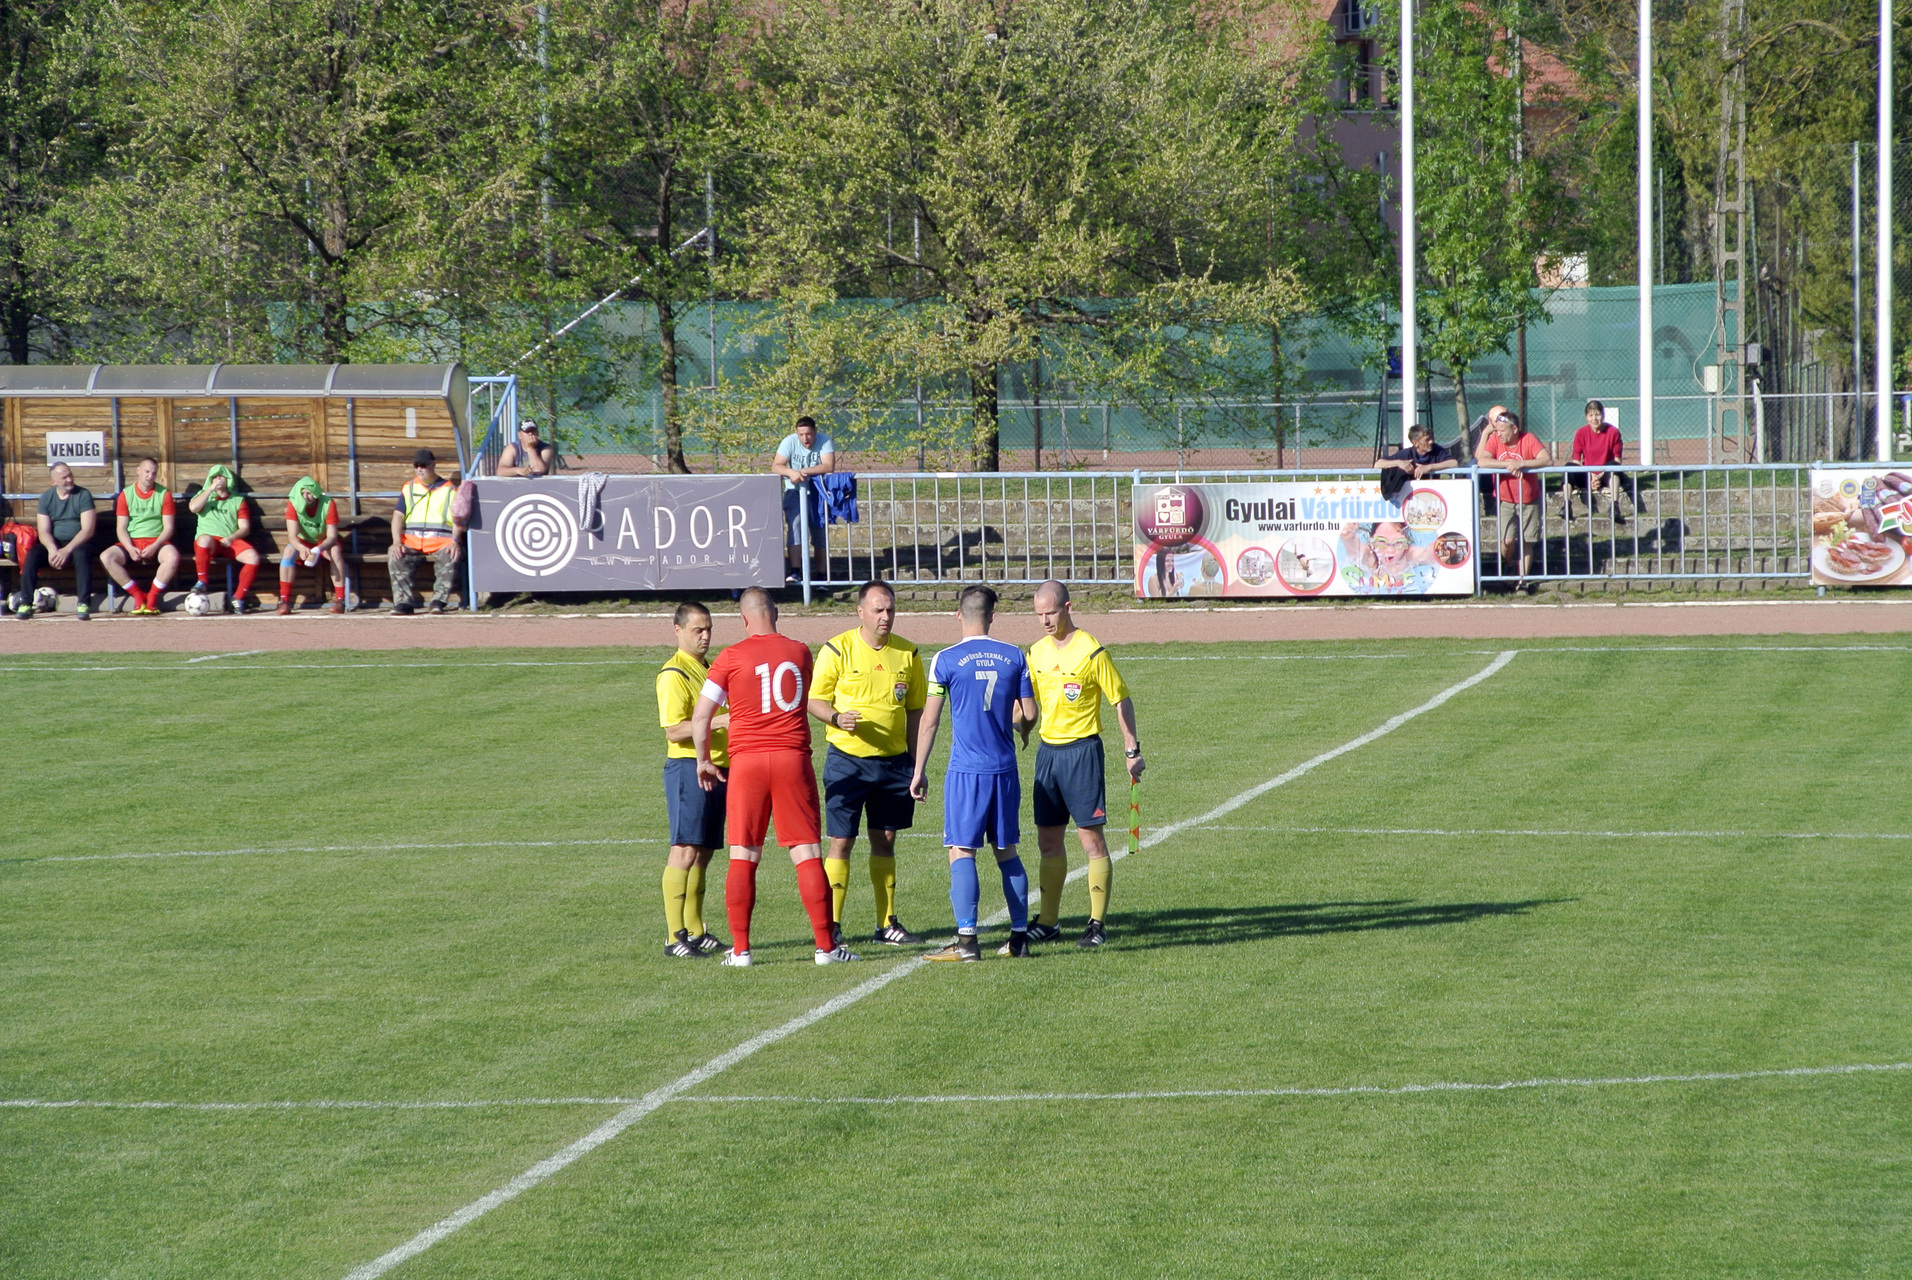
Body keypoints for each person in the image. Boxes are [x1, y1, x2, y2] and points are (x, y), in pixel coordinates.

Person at [690, 586, 852, 967]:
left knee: (744, 853)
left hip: (747, 763)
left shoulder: (730, 657)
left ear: (744, 619)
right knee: (807, 851)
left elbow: (701, 717)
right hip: (791, 758)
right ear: (776, 614)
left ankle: (741, 950)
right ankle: (826, 948)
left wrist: (703, 760)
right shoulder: (799, 652)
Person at [910, 585, 1038, 961]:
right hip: (1005, 769)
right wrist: (1021, 730)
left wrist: (918, 770)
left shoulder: (945, 660)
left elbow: (930, 721)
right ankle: (1019, 939)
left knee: (961, 850)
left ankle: (967, 942)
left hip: (967, 772)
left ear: (958, 615)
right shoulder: (1014, 655)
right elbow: (1030, 713)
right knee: (1006, 851)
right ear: (992, 616)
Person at [808, 579, 928, 948]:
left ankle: (886, 923)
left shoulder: (908, 654)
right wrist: (836, 718)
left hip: (893, 765)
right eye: (878, 610)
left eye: (890, 609)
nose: (885, 616)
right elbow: (814, 700)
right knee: (841, 841)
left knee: (886, 839)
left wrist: (917, 765)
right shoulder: (837, 649)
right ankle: (831, 924)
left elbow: (916, 712)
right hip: (847, 761)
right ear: (861, 612)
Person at [1025, 579, 1144, 948]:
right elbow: (1027, 705)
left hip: (1082, 753)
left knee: (1090, 840)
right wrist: (1014, 726)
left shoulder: (1091, 651)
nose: (1045, 621)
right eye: (1039, 615)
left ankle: (1096, 924)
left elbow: (1120, 700)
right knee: (1048, 840)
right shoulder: (1036, 653)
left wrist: (1131, 750)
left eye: (1051, 613)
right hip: (1048, 754)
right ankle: (1048, 921)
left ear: (1068, 608)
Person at [657, 602, 730, 959]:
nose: (705, 636)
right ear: (678, 631)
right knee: (685, 849)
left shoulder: (709, 668)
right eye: (697, 630)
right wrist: (719, 722)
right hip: (689, 768)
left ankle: (696, 930)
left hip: (717, 766)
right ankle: (674, 937)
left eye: (709, 629)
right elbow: (674, 730)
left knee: (703, 852)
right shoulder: (675, 674)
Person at [1476, 408, 1550, 591]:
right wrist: (1507, 465)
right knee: (1507, 541)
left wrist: (1521, 463)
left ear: (1514, 429)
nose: (1499, 434)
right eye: (1497, 430)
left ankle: (1523, 581)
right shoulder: (1495, 439)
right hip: (1505, 500)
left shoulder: (1528, 438)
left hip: (1529, 499)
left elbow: (1547, 460)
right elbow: (1482, 461)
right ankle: (1509, 565)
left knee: (1526, 541)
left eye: (1502, 430)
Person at [101, 456, 179, 616]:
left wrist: (155, 545)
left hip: (156, 541)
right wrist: (130, 548)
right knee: (106, 557)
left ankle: (152, 597)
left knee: (172, 557)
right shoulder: (126, 494)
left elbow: (168, 527)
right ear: (138, 471)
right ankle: (137, 595)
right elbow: (121, 528)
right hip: (133, 542)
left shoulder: (164, 494)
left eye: (153, 473)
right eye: (147, 472)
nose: (150, 476)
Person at [388, 449, 464, 615]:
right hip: (412, 541)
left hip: (441, 542)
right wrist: (396, 542)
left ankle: (438, 601)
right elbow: (397, 516)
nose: (419, 469)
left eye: (423, 465)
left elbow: (458, 519)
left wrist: (455, 541)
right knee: (395, 555)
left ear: (433, 465)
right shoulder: (409, 487)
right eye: (416, 465)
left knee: (451, 554)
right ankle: (403, 603)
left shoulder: (450, 489)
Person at [18, 463, 97, 619]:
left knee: (82, 555)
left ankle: (83, 603)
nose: (69, 479)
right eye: (64, 477)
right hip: (55, 544)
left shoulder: (83, 495)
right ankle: (25, 603)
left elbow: (87, 530)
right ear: (53, 481)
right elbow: (43, 531)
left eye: (70, 475)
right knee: (33, 555)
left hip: (79, 543)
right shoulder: (46, 498)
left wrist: (66, 550)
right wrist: (52, 549)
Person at [186, 463, 263, 612]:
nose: (218, 479)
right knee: (204, 539)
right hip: (209, 542)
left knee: (253, 557)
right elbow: (193, 508)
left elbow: (244, 528)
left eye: (222, 476)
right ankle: (202, 581)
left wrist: (232, 538)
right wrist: (210, 489)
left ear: (228, 480)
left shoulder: (237, 500)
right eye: (215, 477)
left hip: (228, 541)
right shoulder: (204, 494)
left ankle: (238, 598)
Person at [771, 415, 833, 581]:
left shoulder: (825, 440)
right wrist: (790, 472)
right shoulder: (789, 441)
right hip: (794, 493)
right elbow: (776, 466)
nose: (805, 438)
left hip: (817, 493)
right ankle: (795, 571)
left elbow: (828, 465)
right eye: (801, 435)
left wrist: (804, 472)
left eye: (809, 434)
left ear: (815, 432)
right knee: (795, 529)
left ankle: (822, 575)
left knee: (819, 532)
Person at [278, 476, 350, 614]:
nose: (306, 497)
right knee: (288, 553)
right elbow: (292, 536)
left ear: (316, 493)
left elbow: (332, 536)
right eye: (303, 493)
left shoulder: (328, 503)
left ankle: (340, 600)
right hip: (303, 542)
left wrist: (318, 549)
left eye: (309, 493)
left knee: (335, 552)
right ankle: (284, 600)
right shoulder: (293, 504)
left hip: (323, 542)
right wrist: (301, 548)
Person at [1565, 400, 1634, 522]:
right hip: (1588, 474)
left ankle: (1615, 506)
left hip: (1606, 474)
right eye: (1591, 415)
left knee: (1613, 466)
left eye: (1597, 414)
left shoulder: (1613, 432)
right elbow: (1576, 461)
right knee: (1568, 468)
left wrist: (1599, 475)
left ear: (1603, 415)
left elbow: (1617, 460)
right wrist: (1591, 476)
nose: (1594, 419)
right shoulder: (1581, 433)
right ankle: (1566, 505)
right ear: (1586, 417)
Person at [1376, 422, 1458, 495]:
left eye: (1431, 438)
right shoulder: (1406, 454)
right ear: (1416, 443)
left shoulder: (1437, 450)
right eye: (1427, 440)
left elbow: (1454, 463)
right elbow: (1378, 464)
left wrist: (1430, 467)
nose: (1431, 442)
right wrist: (1399, 463)